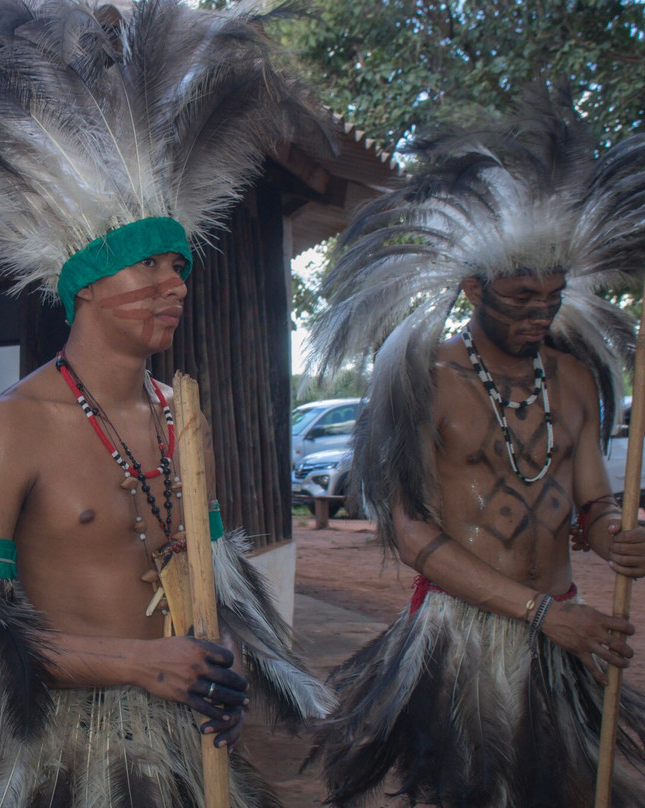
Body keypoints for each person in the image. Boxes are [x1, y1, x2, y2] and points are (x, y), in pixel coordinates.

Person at [0, 0, 337, 805]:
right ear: (84, 285)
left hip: (180, 743)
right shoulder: (7, 428)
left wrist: (228, 665)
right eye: (145, 266)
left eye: (178, 266)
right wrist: (140, 663)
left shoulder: (184, 420)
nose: (172, 284)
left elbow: (213, 580)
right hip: (59, 757)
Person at [305, 86, 645, 807]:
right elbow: (410, 529)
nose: (538, 314)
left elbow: (592, 503)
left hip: (561, 627)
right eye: (520, 300)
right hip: (461, 640)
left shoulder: (575, 379)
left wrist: (616, 536)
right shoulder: (426, 381)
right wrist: (541, 616)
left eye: (551, 299)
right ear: (472, 288)